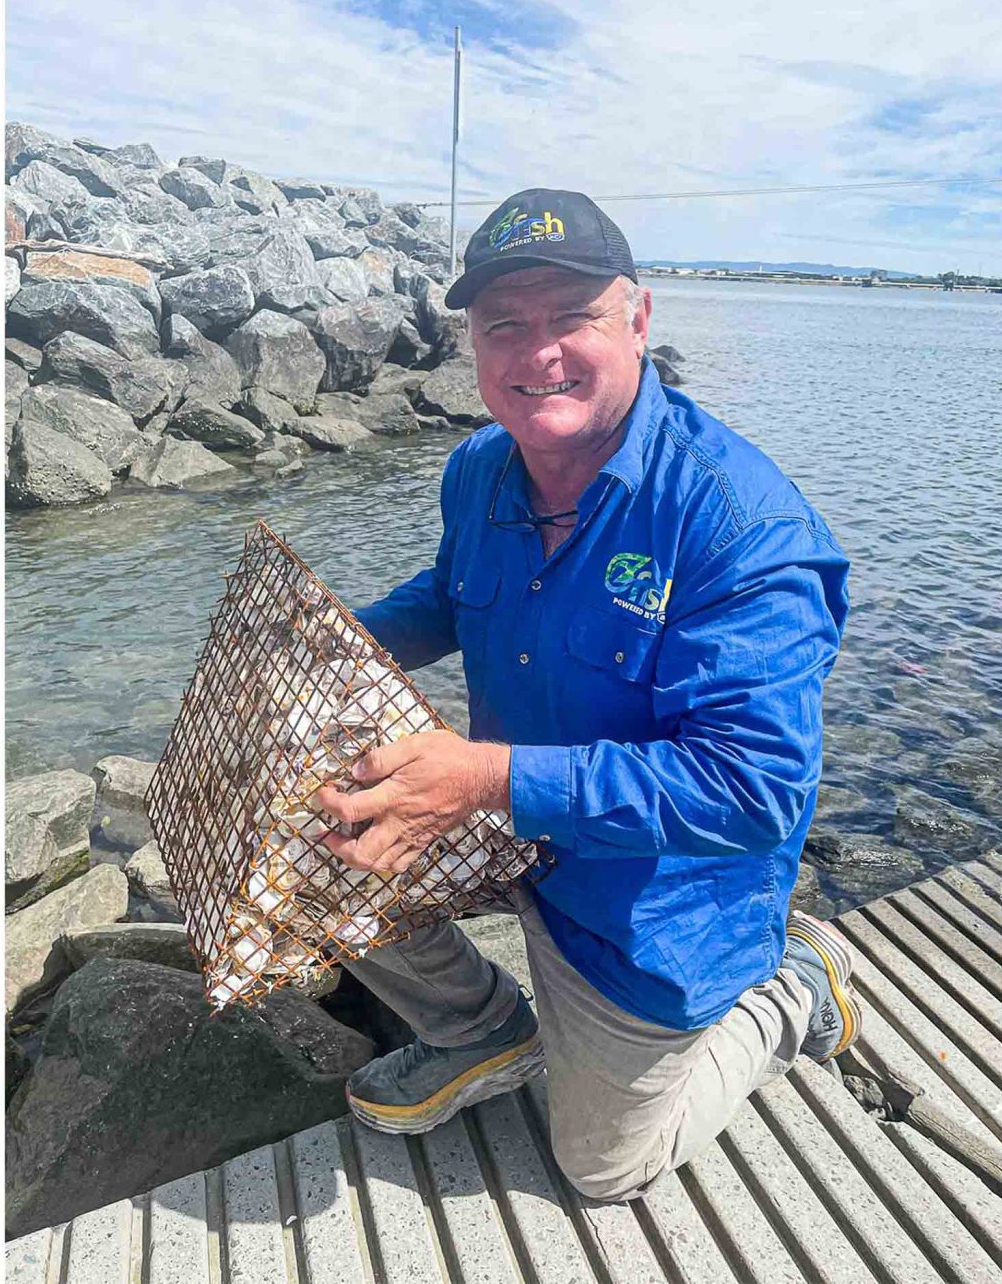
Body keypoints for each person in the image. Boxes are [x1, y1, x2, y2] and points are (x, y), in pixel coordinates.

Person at [310, 188, 854, 1201]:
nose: (536, 353)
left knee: (604, 1168)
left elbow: (753, 790)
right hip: (500, 816)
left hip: (654, 901)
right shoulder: (479, 466)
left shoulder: (739, 526)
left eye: (571, 318)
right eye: (503, 326)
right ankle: (479, 1031)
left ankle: (790, 982)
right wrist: (331, 641)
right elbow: (449, 593)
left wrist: (479, 779)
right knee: (301, 819)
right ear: (470, 343)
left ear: (637, 319)